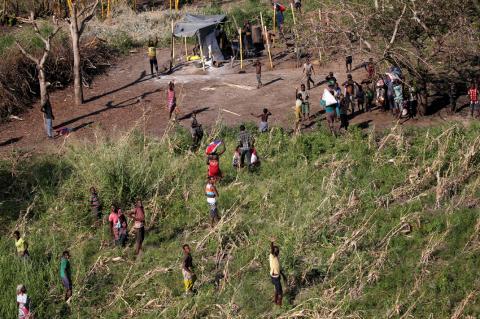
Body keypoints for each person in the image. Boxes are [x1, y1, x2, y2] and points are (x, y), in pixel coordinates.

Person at [269, 239, 286, 306]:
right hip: (275, 277)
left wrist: (283, 275)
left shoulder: (276, 257)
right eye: (277, 250)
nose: (278, 251)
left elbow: (277, 267)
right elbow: (272, 249)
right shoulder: (272, 256)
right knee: (280, 293)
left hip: (277, 276)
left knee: (277, 289)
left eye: (278, 250)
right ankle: (280, 305)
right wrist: (272, 242)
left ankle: (275, 301)